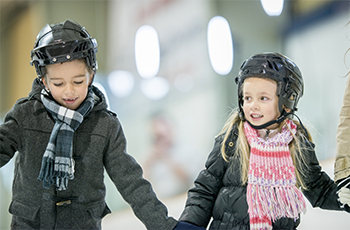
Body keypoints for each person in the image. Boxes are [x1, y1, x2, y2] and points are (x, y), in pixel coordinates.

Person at [0, 19, 178, 230]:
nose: (69, 91)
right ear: (44, 81)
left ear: (91, 75)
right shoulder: (25, 116)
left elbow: (130, 181)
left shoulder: (105, 125)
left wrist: (165, 226)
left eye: (77, 81)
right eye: (58, 83)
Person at [175, 52, 348, 230]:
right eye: (247, 98)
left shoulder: (297, 144)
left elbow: (318, 188)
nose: (253, 105)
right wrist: (190, 223)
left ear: (287, 100)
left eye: (263, 98)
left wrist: (343, 198)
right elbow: (205, 190)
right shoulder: (232, 140)